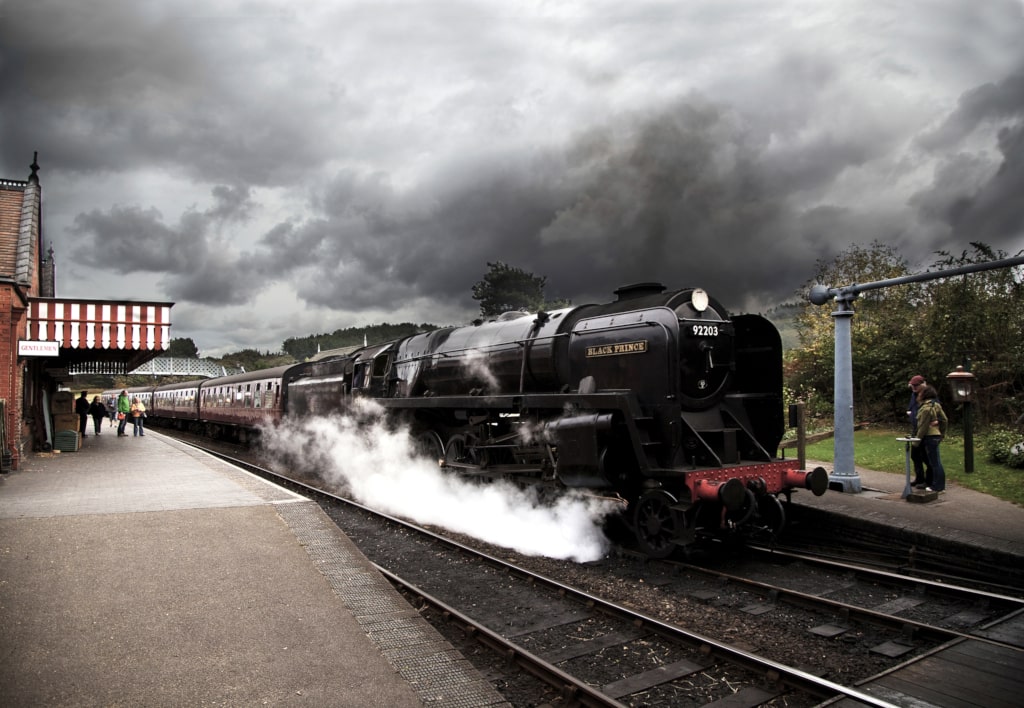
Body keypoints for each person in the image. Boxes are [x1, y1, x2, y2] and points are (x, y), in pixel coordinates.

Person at [913, 384, 948, 493]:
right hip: (935, 435)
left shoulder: (926, 408)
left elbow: (923, 426)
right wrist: (941, 433)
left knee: (934, 462)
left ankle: (938, 486)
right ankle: (937, 484)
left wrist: (916, 441)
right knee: (935, 461)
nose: (918, 395)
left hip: (929, 436)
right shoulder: (936, 405)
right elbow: (944, 420)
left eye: (920, 393)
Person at [906, 375, 932, 488]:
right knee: (915, 455)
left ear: (923, 384)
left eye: (916, 385)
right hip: (916, 429)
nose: (914, 387)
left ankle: (929, 480)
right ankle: (919, 478)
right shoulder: (913, 395)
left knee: (926, 457)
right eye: (912, 385)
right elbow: (912, 407)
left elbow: (934, 409)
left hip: (925, 430)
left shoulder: (929, 395)